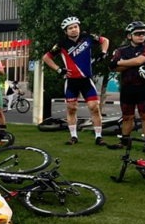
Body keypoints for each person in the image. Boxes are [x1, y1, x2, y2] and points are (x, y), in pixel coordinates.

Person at [42, 16, 110, 146]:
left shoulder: (88, 37)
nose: (74, 29)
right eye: (70, 28)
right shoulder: (61, 44)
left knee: (94, 107)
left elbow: (105, 40)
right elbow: (46, 58)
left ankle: (99, 137)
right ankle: (73, 136)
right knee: (71, 108)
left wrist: (103, 52)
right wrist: (59, 69)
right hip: (71, 81)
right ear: (66, 31)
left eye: (75, 27)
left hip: (86, 80)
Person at [108, 21, 145, 153]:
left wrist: (121, 62)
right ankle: (124, 141)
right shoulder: (121, 50)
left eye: (143, 33)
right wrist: (131, 63)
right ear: (129, 36)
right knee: (127, 116)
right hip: (127, 87)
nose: (141, 36)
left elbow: (139, 61)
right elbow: (112, 68)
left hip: (144, 87)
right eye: (137, 33)